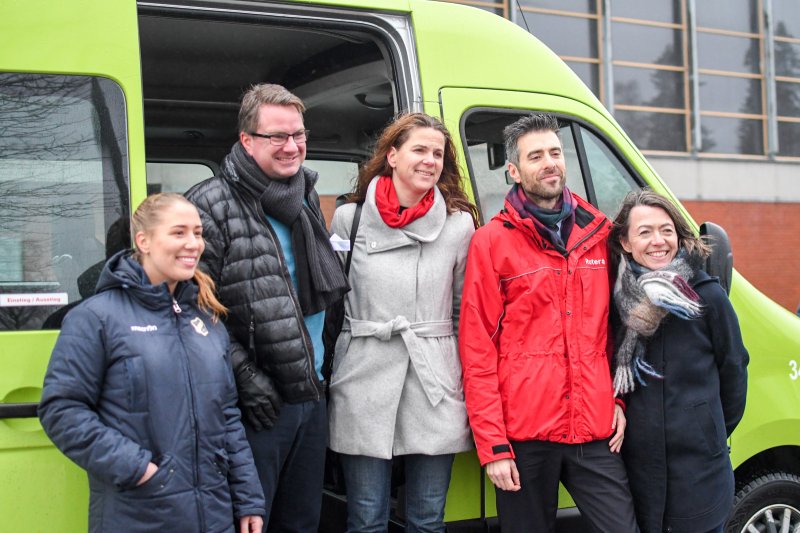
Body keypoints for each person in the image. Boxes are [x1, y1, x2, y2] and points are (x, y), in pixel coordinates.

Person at [38, 193, 265, 533]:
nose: (193, 244)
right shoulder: (96, 317)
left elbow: (227, 415)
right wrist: (138, 469)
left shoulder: (207, 320)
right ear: (143, 241)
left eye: (198, 233)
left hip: (214, 515)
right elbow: (62, 410)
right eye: (179, 233)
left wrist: (248, 497)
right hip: (139, 513)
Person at [459, 112, 638, 533]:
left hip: (594, 428)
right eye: (535, 156)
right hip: (524, 436)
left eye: (555, 153)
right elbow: (477, 346)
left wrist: (619, 400)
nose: (549, 163)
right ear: (514, 170)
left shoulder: (600, 234)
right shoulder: (491, 242)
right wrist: (493, 445)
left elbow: (619, 332)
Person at [185, 83, 348, 532]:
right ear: (247, 140)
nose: (291, 146)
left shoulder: (305, 197)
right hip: (255, 404)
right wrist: (246, 377)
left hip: (310, 392)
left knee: (301, 523)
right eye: (277, 136)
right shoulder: (210, 203)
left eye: (298, 134)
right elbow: (193, 308)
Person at [327, 112, 478, 533]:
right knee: (365, 518)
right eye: (419, 150)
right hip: (363, 373)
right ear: (391, 155)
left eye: (437, 153)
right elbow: (333, 302)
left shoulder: (458, 223)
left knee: (428, 519)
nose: (430, 160)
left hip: (434, 378)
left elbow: (464, 310)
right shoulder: (349, 219)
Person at [609, 189, 749, 533]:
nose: (658, 241)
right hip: (639, 476)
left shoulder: (709, 297)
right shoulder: (616, 301)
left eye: (666, 230)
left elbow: (734, 372)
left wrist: (706, 429)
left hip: (700, 475)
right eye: (645, 232)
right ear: (626, 243)